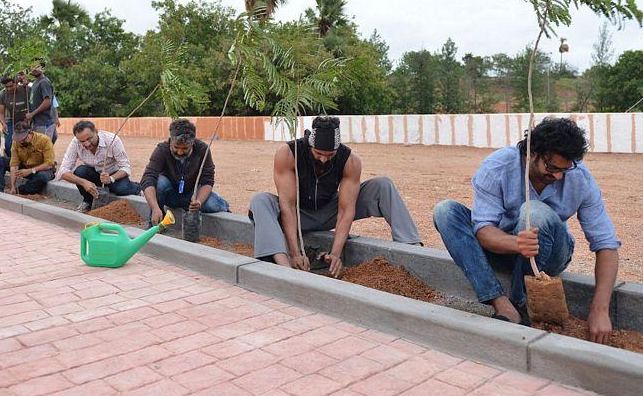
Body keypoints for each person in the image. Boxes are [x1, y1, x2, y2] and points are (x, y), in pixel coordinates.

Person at [433, 117, 620, 344]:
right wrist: (516, 244)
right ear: (531, 153)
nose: (558, 176)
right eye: (551, 168)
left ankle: (522, 302)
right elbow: (483, 229)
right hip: (503, 249)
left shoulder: (579, 178)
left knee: (536, 213)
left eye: (564, 170)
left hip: (551, 254)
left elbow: (606, 244)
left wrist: (600, 310)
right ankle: (503, 305)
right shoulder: (497, 168)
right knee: (445, 212)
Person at [248, 115, 422, 277]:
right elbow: (287, 205)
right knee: (260, 201)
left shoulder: (350, 160)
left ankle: (412, 247)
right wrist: (295, 254)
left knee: (383, 185)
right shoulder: (288, 153)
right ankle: (284, 268)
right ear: (310, 146)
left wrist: (335, 254)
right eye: (318, 154)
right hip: (299, 215)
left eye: (329, 155)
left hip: (330, 212)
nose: (324, 159)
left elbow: (346, 211)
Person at [140, 118, 229, 225]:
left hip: (192, 196)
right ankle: (157, 221)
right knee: (160, 182)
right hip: (171, 195)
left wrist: (199, 201)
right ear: (171, 140)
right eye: (176, 147)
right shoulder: (162, 150)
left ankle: (223, 204)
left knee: (211, 204)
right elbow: (147, 178)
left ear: (192, 143)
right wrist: (155, 207)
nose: (180, 152)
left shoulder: (202, 150)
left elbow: (207, 180)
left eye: (185, 148)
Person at [58, 120, 141, 213]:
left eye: (89, 139)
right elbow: (63, 171)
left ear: (96, 131)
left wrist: (111, 178)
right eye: (82, 141)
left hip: (114, 175)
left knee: (120, 189)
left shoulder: (112, 140)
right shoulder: (75, 143)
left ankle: (137, 188)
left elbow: (125, 167)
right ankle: (88, 201)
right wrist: (83, 182)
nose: (87, 144)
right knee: (80, 172)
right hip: (94, 175)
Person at [0, 121, 55, 194]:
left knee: (42, 177)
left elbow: (49, 164)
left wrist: (30, 171)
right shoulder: (16, 142)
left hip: (41, 169)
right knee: (0, 160)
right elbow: (14, 165)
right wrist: (12, 185)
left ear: (30, 133)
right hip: (25, 167)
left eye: (23, 139)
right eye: (19, 140)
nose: (20, 142)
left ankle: (21, 190)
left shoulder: (44, 140)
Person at [0, 74, 29, 157]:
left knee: (27, 141)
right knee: (9, 144)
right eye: (6, 87)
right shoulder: (2, 94)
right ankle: (9, 158)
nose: (8, 89)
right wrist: (4, 124)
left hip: (25, 120)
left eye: (11, 86)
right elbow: (0, 113)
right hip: (10, 121)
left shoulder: (26, 89)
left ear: (17, 83)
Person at [24, 61, 55, 141]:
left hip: (44, 122)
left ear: (43, 69)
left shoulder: (44, 82)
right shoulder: (36, 82)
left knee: (42, 147)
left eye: (37, 67)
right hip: (37, 122)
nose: (34, 69)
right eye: (33, 67)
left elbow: (47, 102)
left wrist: (32, 114)